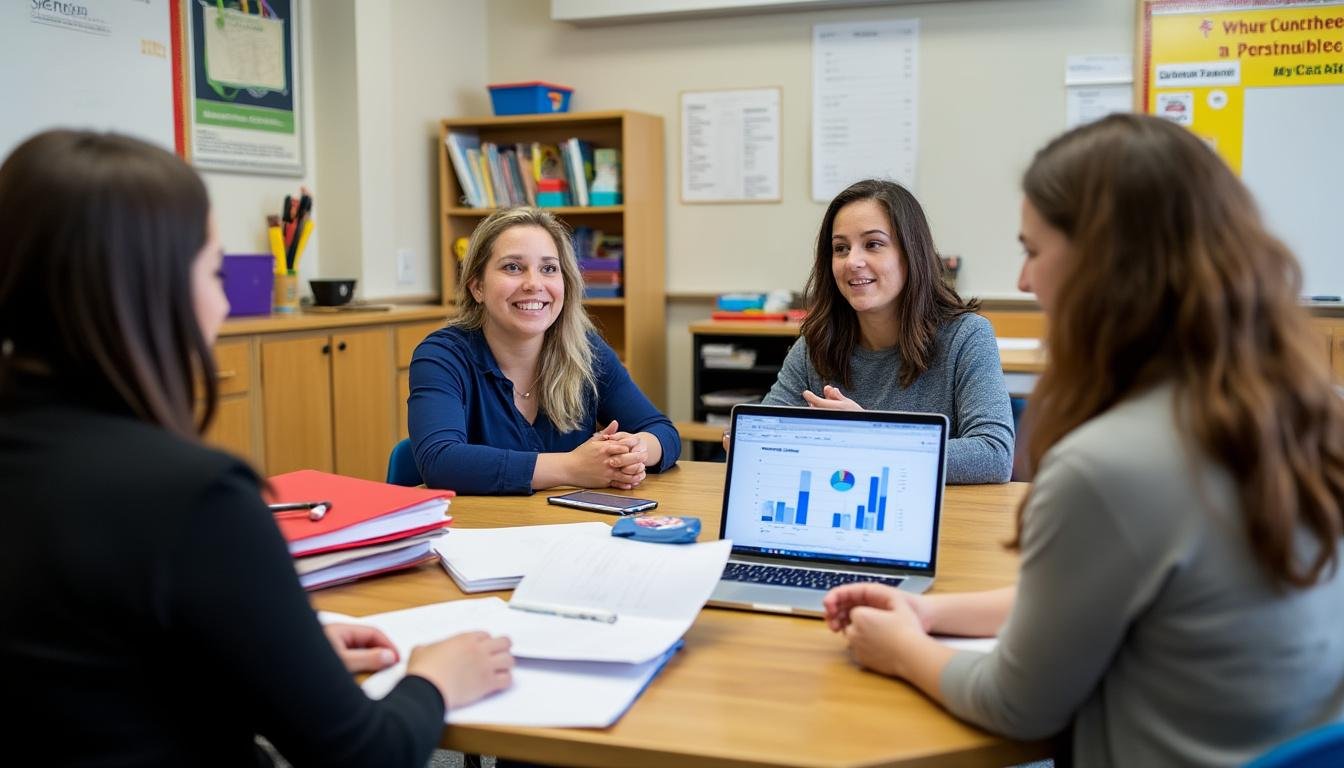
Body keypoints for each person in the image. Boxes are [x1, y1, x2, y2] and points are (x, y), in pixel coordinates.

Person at [823, 115, 1344, 765]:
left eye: (1034, 251)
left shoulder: (1108, 466)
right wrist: (929, 612)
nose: (1022, 281)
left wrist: (900, 648)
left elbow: (1017, 706)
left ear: (1108, 263)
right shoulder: (1299, 410)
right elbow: (1106, 592)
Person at [0, 130, 515, 766]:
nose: (221, 300)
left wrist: (274, 647)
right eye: (213, 269)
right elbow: (361, 753)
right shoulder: (194, 497)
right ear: (152, 287)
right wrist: (437, 679)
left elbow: (90, 661)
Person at [755, 179, 1013, 484]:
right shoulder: (816, 343)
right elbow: (763, 433)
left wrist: (867, 436)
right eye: (840, 248)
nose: (853, 261)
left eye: (873, 244)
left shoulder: (967, 336)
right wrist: (747, 438)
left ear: (910, 253)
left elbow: (994, 454)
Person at [409, 207, 680, 495]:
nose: (534, 284)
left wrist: (634, 451)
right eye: (512, 267)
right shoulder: (441, 356)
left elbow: (663, 432)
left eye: (549, 268)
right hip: (479, 532)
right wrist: (571, 468)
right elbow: (440, 461)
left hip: (568, 532)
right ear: (477, 287)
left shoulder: (585, 351)